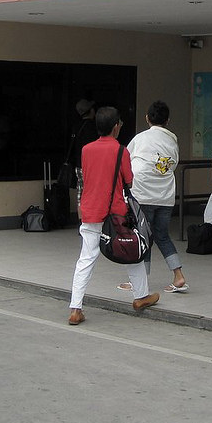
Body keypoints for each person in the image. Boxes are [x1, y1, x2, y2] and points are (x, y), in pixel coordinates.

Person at [68, 106, 158, 325]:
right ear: (116, 126)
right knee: (130, 252)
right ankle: (141, 297)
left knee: (86, 259)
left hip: (91, 211)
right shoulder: (121, 151)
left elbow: (86, 179)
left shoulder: (86, 149)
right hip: (116, 213)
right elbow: (129, 181)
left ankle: (75, 308)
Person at [121, 100, 188, 294]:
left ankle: (140, 281)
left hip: (143, 195)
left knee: (143, 237)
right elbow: (172, 165)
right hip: (165, 196)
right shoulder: (172, 140)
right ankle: (178, 275)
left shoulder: (140, 138)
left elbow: (127, 158)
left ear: (147, 118)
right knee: (161, 235)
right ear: (167, 120)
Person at [69, 98, 99, 210]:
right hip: (92, 166)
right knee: (94, 192)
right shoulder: (93, 128)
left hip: (79, 164)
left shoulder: (76, 126)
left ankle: (81, 219)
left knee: (81, 193)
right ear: (91, 111)